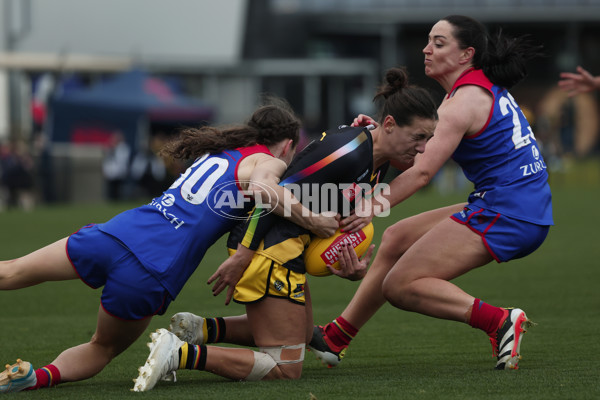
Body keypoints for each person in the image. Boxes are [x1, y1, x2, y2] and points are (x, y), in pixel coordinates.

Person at [130, 67, 439, 391]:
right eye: (418, 137)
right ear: (389, 125)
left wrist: (346, 268)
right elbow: (271, 196)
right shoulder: (347, 153)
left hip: (286, 248)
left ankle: (200, 330)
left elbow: (324, 218)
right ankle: (180, 354)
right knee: (285, 367)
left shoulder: (379, 158)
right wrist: (244, 255)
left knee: (303, 333)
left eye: (428, 139)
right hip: (266, 249)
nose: (422, 149)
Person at [0, 99, 338, 394]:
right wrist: (316, 221)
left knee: (10, 270)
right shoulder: (268, 160)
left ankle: (28, 378)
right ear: (288, 145)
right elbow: (266, 191)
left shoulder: (221, 153)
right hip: (152, 269)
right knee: (101, 348)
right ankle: (36, 379)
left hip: (115, 233)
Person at [307, 15, 553, 371]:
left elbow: (420, 171)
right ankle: (337, 337)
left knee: (401, 286)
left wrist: (369, 207)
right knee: (396, 236)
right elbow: (419, 149)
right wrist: (382, 135)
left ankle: (499, 321)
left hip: (509, 210)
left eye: (439, 43)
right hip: (516, 203)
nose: (427, 49)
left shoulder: (461, 102)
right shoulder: (476, 89)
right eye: (428, 41)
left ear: (466, 54)